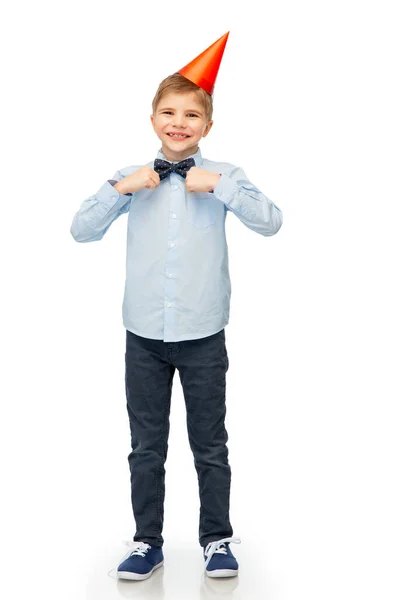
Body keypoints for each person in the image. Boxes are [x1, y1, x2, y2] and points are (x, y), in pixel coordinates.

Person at [70, 32, 283, 581]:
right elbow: (80, 231)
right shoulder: (130, 179)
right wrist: (121, 189)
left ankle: (216, 538)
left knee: (210, 442)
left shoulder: (226, 176)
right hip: (142, 335)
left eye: (192, 114)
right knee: (145, 445)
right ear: (152, 119)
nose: (179, 122)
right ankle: (147, 541)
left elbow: (271, 221)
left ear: (207, 126)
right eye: (169, 111)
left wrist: (221, 189)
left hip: (203, 332)